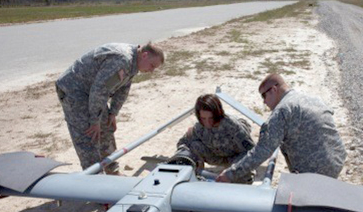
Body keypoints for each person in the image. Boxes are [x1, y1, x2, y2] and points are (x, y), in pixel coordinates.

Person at [216, 74, 348, 212]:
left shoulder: (282, 111)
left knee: (278, 210)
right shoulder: (312, 99)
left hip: (313, 172)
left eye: (264, 96)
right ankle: (334, 198)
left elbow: (261, 152)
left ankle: (333, 207)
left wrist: (230, 174)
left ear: (273, 90)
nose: (264, 102)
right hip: (337, 161)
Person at [56, 42, 164, 175]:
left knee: (106, 128)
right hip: (74, 90)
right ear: (145, 55)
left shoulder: (134, 62)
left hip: (91, 91)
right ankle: (95, 179)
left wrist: (112, 113)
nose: (152, 71)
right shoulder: (122, 60)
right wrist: (95, 121)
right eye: (152, 66)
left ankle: (112, 170)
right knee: (89, 135)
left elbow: (123, 89)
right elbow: (99, 91)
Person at [176, 94, 255, 184]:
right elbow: (182, 143)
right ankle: (198, 178)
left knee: (244, 179)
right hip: (216, 157)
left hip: (235, 158)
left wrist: (232, 171)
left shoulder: (232, 126)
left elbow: (251, 152)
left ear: (217, 114)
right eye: (203, 118)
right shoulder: (199, 127)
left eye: (211, 118)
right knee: (194, 146)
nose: (207, 122)